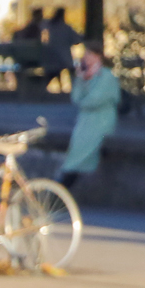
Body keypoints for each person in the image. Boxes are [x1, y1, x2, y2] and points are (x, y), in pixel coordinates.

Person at [60, 48, 120, 189]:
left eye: (89, 54)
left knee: (82, 151)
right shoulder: (84, 76)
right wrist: (82, 80)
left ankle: (63, 186)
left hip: (101, 119)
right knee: (78, 147)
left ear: (98, 56)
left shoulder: (107, 76)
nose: (85, 58)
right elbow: (76, 98)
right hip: (85, 120)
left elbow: (94, 100)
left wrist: (83, 99)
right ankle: (63, 184)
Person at [41, 9, 81, 93]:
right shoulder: (65, 28)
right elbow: (76, 39)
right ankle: (74, 89)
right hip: (64, 56)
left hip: (52, 56)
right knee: (71, 71)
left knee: (52, 73)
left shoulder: (49, 26)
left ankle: (42, 90)